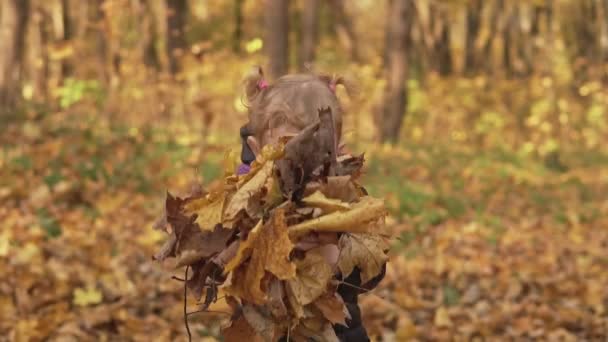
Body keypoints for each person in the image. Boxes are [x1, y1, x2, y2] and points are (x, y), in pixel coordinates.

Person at [237, 67, 386, 341]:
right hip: (264, 330)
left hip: (337, 331)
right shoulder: (242, 199)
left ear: (338, 149)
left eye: (316, 152)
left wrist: (335, 256)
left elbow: (374, 268)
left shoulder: (345, 198)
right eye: (287, 152)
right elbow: (221, 267)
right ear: (257, 150)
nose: (302, 167)